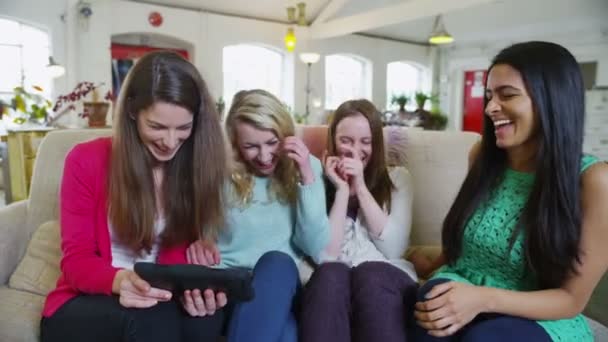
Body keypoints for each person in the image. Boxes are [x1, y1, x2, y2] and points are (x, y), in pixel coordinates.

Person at [413, 41, 608, 342]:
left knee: (485, 338)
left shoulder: (594, 180)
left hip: (540, 317)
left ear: (551, 101)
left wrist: (482, 298)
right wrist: (432, 265)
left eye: (508, 95)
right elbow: (471, 238)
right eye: (490, 95)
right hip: (465, 287)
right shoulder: (481, 156)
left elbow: (571, 300)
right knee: (429, 303)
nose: (490, 107)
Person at [41, 51, 229, 342]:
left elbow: (174, 257)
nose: (170, 142)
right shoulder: (85, 160)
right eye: (156, 127)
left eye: (183, 128)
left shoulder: (195, 167)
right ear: (131, 111)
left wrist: (194, 288)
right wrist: (119, 280)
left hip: (154, 294)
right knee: (154, 316)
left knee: (204, 318)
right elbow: (76, 261)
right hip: (85, 300)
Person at [187, 89, 330, 342]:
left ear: (285, 135)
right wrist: (199, 242)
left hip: (280, 285)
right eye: (251, 147)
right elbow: (198, 233)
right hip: (229, 286)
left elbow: (317, 249)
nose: (264, 157)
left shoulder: (309, 168)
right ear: (235, 144)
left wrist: (306, 177)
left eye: (272, 143)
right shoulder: (218, 174)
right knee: (286, 334)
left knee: (277, 262)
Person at [299, 99, 418, 342]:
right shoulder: (315, 183)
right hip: (333, 281)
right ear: (333, 141)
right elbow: (325, 256)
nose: (355, 151)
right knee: (330, 274)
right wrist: (341, 191)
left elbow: (394, 249)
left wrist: (361, 187)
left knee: (371, 273)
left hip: (384, 279)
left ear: (376, 144)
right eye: (346, 141)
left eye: (365, 142)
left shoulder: (398, 179)